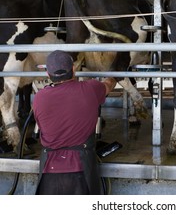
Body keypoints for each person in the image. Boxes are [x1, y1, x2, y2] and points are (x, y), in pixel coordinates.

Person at [32, 50, 117, 195]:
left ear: (48, 74)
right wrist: (115, 70)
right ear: (74, 69)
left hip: (49, 171)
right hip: (81, 169)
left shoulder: (39, 98)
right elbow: (109, 84)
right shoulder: (91, 89)